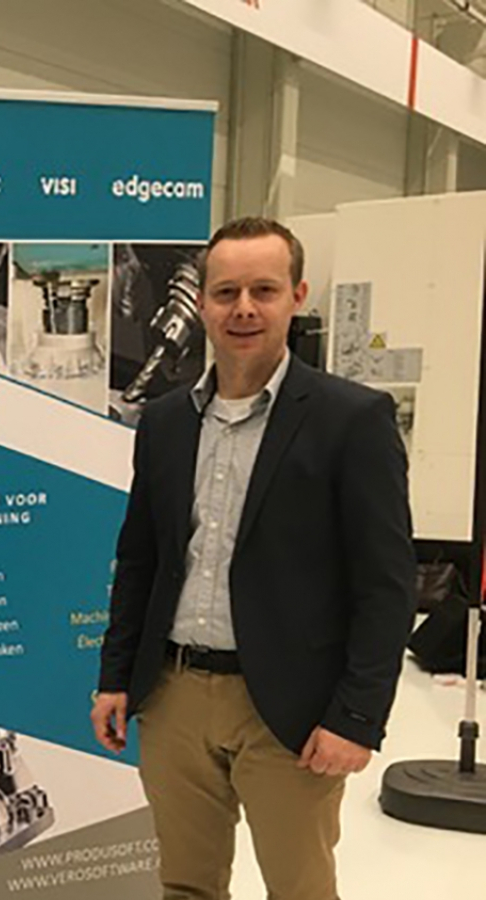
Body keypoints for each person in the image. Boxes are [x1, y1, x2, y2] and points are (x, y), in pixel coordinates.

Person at [90, 216, 415, 900]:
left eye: (263, 290)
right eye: (226, 292)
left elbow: (385, 585)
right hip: (174, 696)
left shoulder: (352, 420)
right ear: (204, 304)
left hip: (290, 712)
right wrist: (115, 677)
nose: (243, 308)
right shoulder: (165, 421)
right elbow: (140, 558)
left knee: (299, 891)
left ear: (296, 296)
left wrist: (356, 718)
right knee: (186, 886)